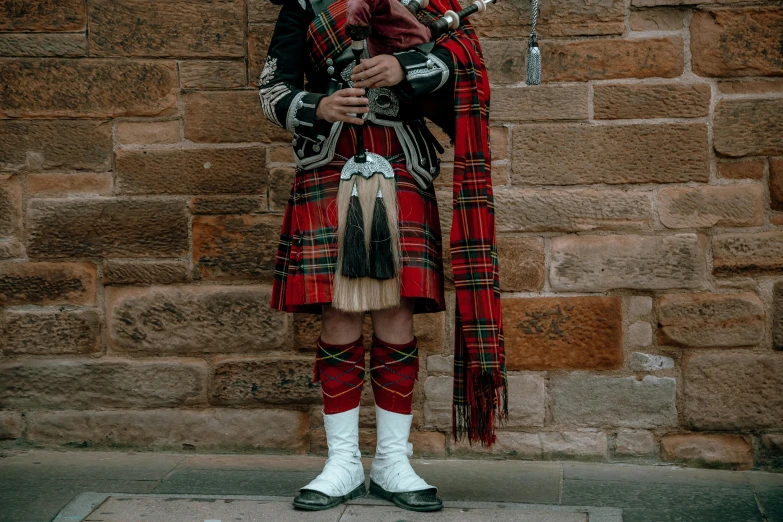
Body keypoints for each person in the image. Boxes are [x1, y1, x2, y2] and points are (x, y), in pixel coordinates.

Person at [257, 0, 507, 512]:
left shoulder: (428, 4)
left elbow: (464, 66)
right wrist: (318, 106)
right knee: (339, 310)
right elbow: (271, 90)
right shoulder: (305, 6)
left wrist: (404, 66)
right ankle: (342, 463)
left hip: (402, 164)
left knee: (396, 310)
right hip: (329, 164)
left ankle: (394, 461)